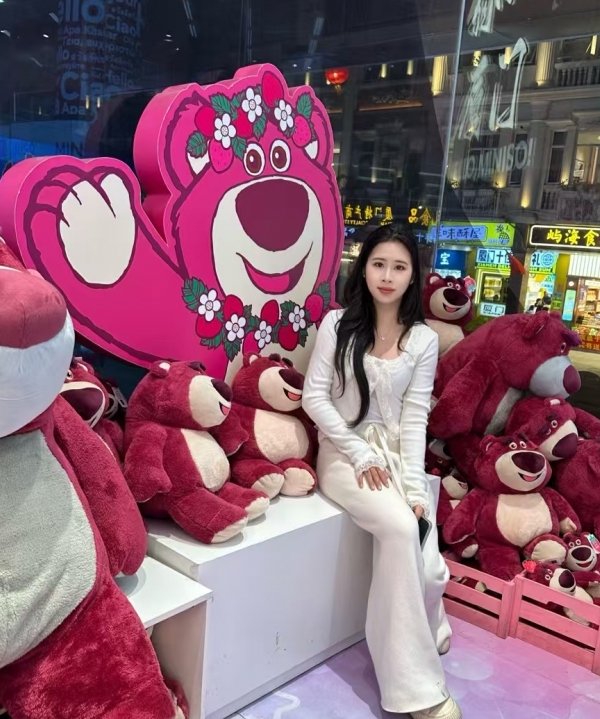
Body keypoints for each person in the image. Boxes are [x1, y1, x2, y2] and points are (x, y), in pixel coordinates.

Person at [303, 224, 460, 719]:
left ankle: (429, 620)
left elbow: (414, 421)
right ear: (364, 268)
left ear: (413, 275)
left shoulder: (423, 339)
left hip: (396, 458)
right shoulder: (337, 324)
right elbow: (314, 397)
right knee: (399, 530)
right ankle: (415, 689)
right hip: (343, 454)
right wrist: (358, 452)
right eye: (378, 264)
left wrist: (415, 490)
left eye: (399, 267)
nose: (387, 276)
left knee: (424, 551)